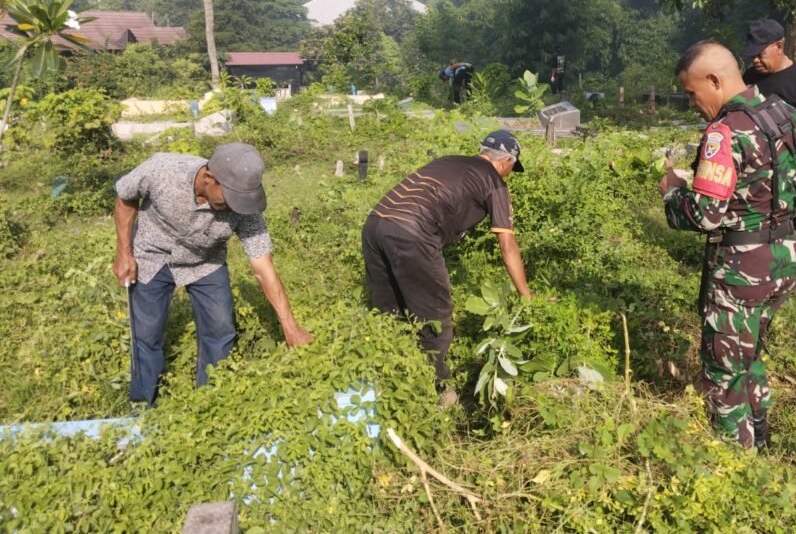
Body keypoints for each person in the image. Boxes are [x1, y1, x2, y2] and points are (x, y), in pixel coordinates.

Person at [659, 41, 796, 449]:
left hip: (741, 269)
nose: (693, 103)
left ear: (714, 80)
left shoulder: (724, 132)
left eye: (693, 93)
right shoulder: (788, 115)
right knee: (750, 352)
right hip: (785, 258)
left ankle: (737, 462)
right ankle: (760, 433)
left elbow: (704, 214)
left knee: (724, 372)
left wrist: (672, 192)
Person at [112, 143, 313, 404]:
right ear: (209, 178)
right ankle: (142, 403)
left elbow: (264, 268)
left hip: (205, 262)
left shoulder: (244, 206)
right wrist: (124, 252)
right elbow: (126, 196)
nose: (235, 206)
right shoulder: (162, 171)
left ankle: (211, 401)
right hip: (153, 255)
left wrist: (290, 326)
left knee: (220, 331)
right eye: (230, 197)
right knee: (147, 333)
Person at [361, 131, 531, 400]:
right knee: (436, 315)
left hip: (375, 225)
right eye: (512, 168)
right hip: (412, 232)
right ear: (506, 161)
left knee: (388, 311)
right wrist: (526, 296)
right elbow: (507, 245)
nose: (510, 173)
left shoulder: (449, 161)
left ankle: (384, 377)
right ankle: (435, 391)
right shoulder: (494, 182)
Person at [741, 19, 796, 186]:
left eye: (760, 54)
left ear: (779, 47)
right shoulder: (750, 77)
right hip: (755, 172)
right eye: (752, 56)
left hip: (790, 171)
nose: (756, 61)